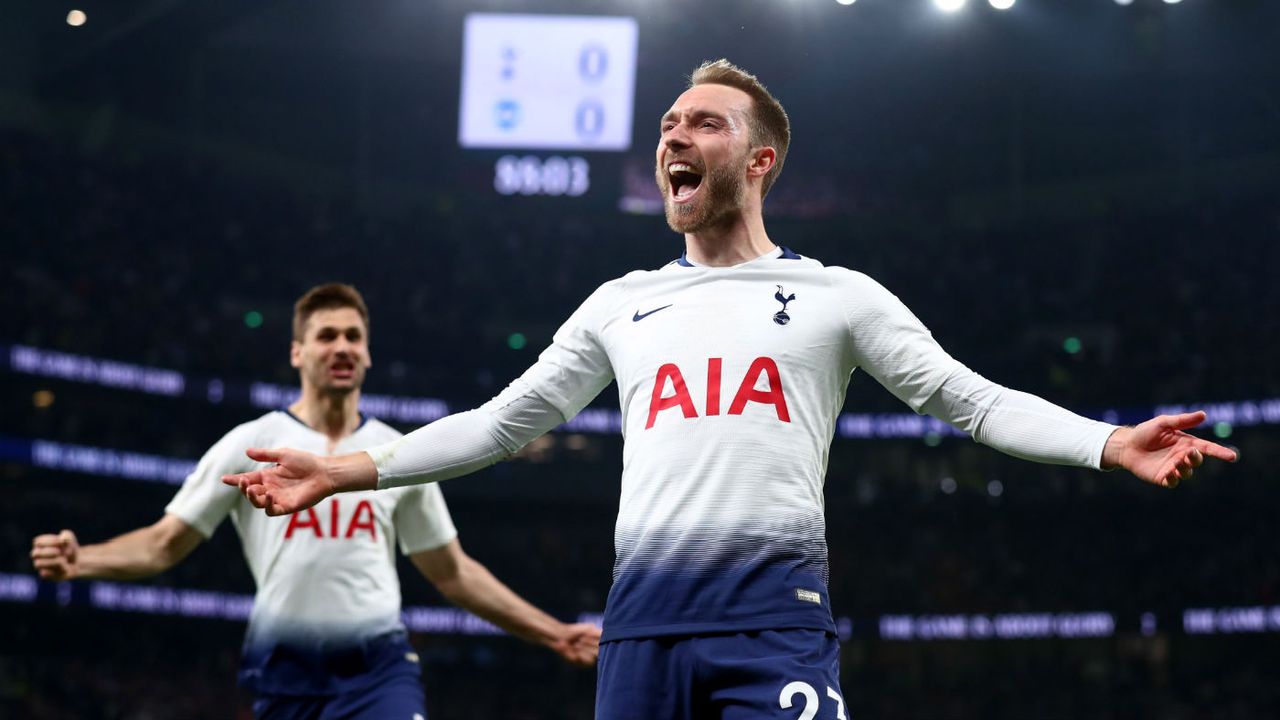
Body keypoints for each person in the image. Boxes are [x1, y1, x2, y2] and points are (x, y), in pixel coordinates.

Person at [222, 62, 1238, 719]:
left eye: (700, 123)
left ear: (757, 160)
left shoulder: (837, 296)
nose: (672, 136)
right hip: (639, 639)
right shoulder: (618, 304)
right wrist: (338, 472)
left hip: (773, 626)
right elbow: (498, 425)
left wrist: (1105, 441)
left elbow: (968, 401)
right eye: (666, 123)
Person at [31, 283, 600, 720]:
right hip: (284, 672)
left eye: (354, 336)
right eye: (327, 336)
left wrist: (552, 631)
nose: (342, 347)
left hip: (379, 670)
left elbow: (453, 575)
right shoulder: (248, 444)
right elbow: (162, 544)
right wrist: (85, 559)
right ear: (297, 353)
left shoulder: (394, 455)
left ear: (369, 356)